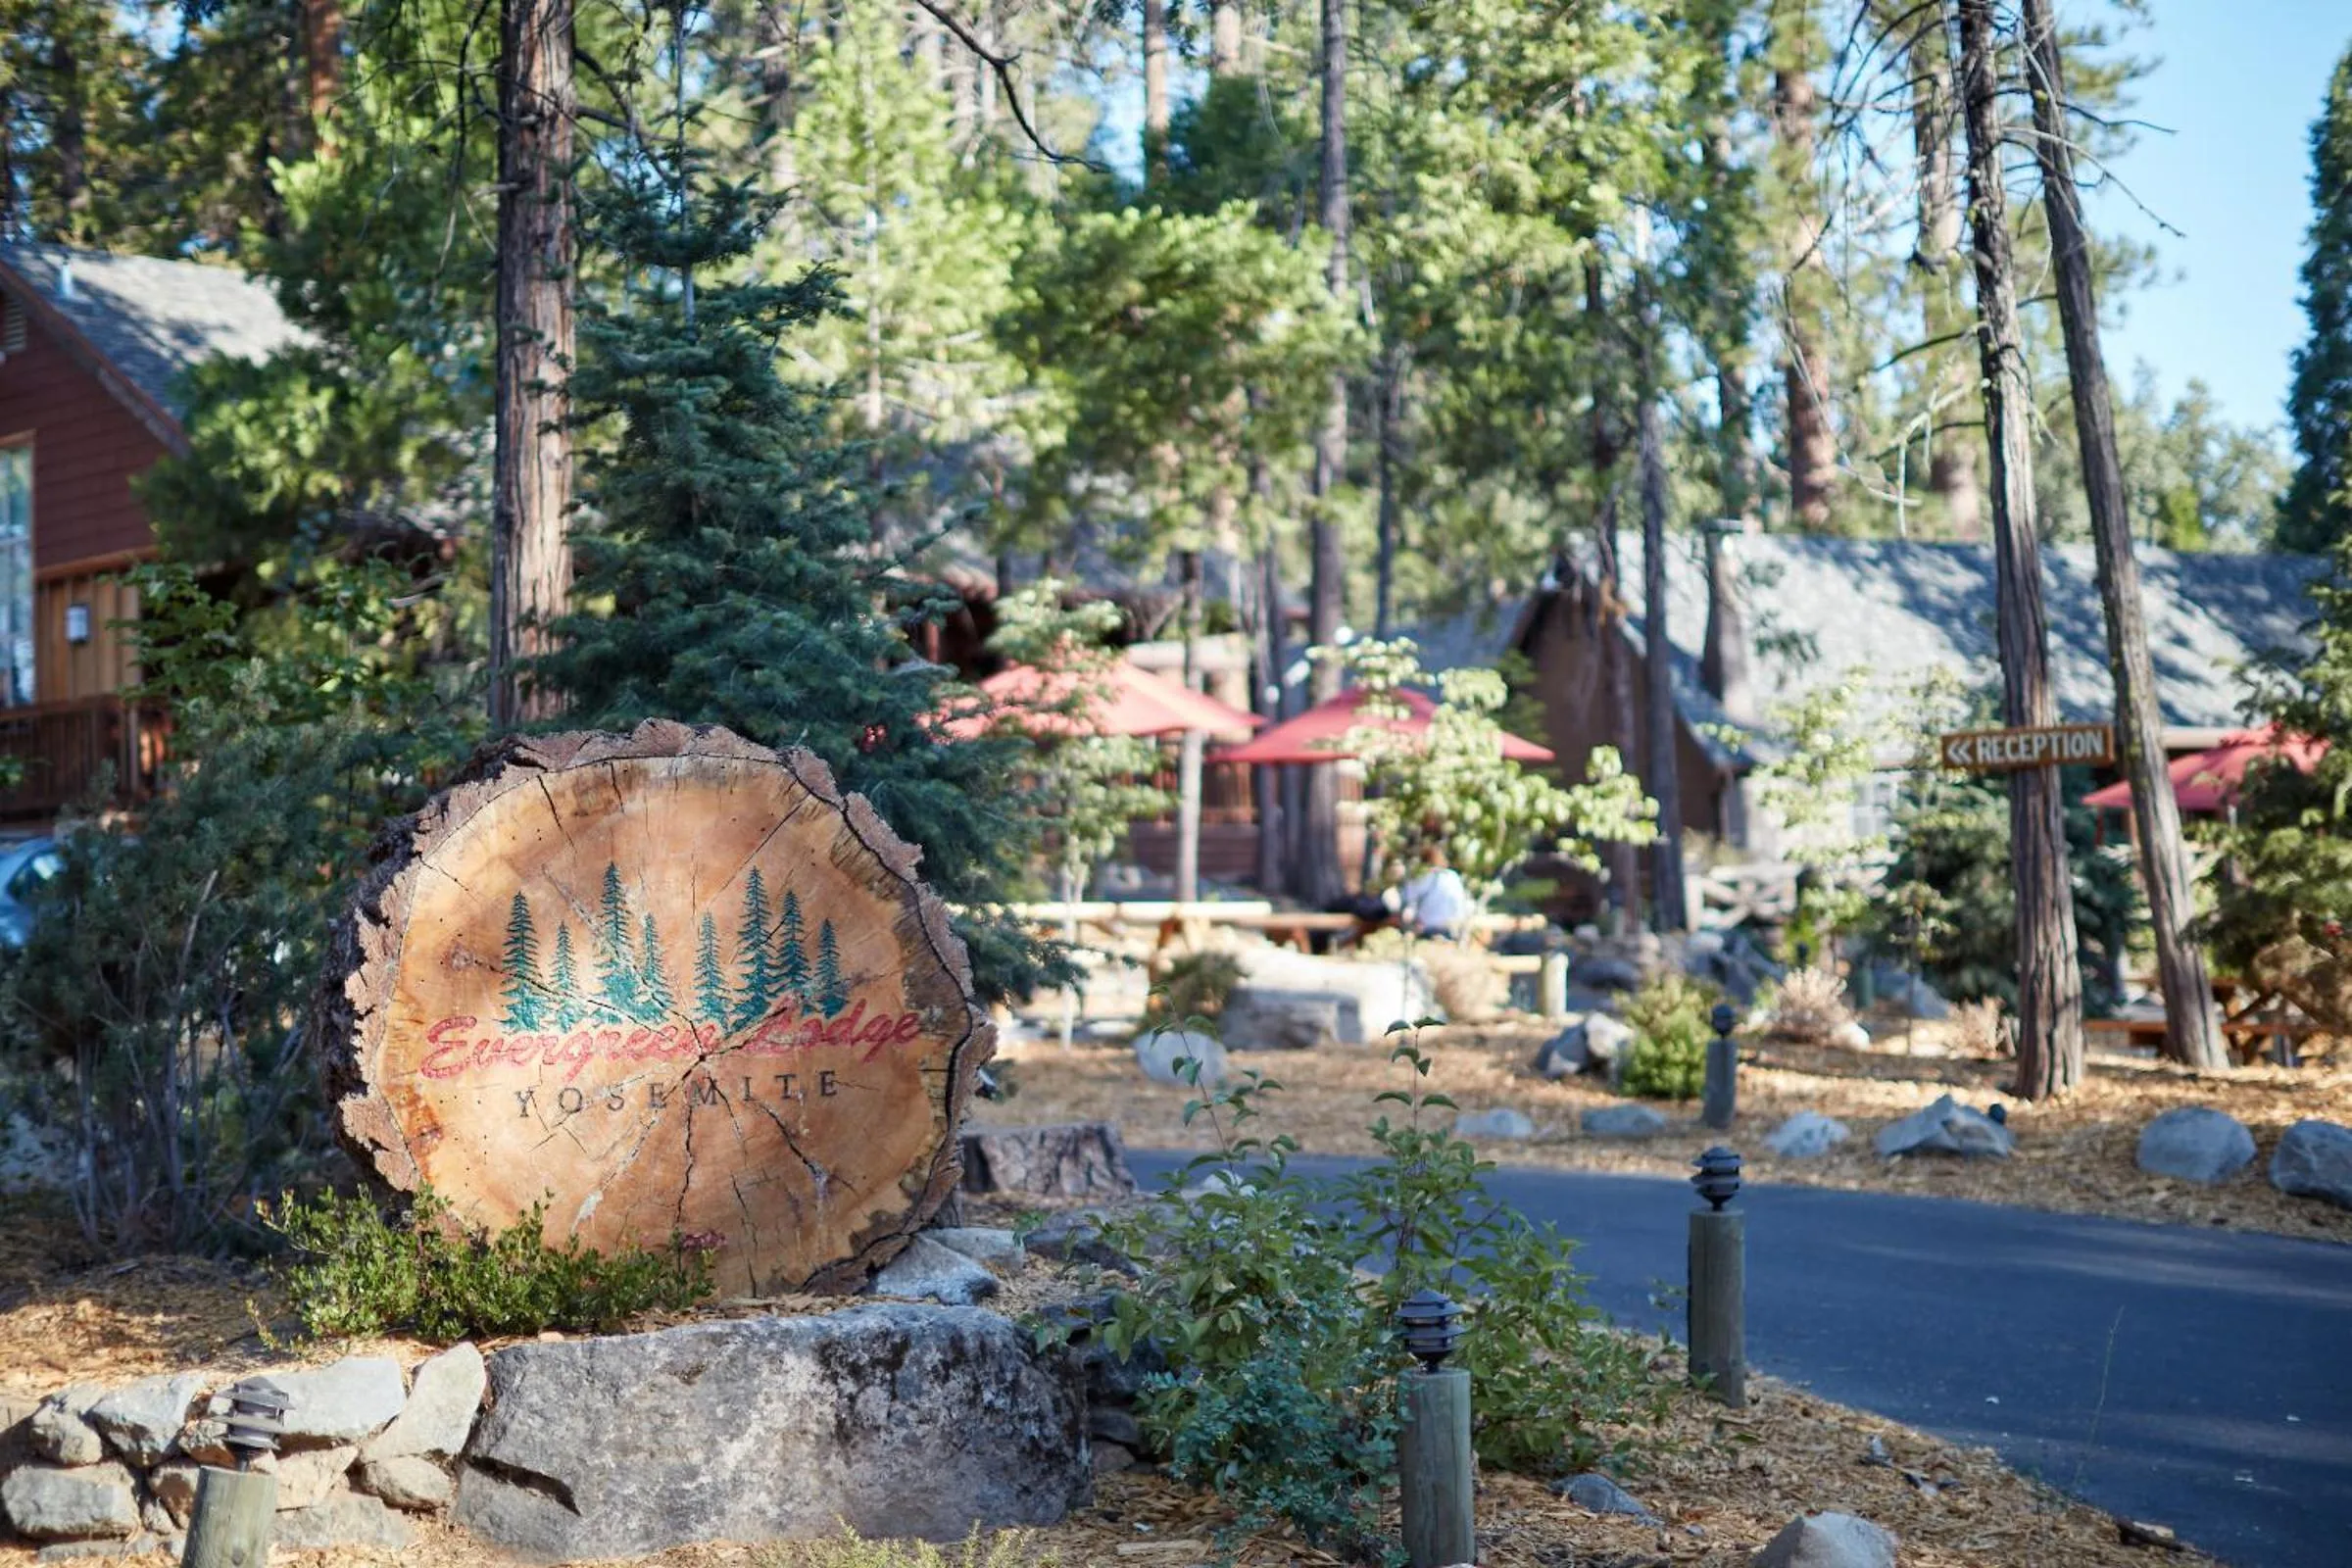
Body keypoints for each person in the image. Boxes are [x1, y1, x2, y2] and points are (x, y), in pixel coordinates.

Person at [1393, 845, 1470, 942]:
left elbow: (1408, 903)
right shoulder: (1453, 876)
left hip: (1428, 929)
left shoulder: (1422, 878)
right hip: (1451, 929)